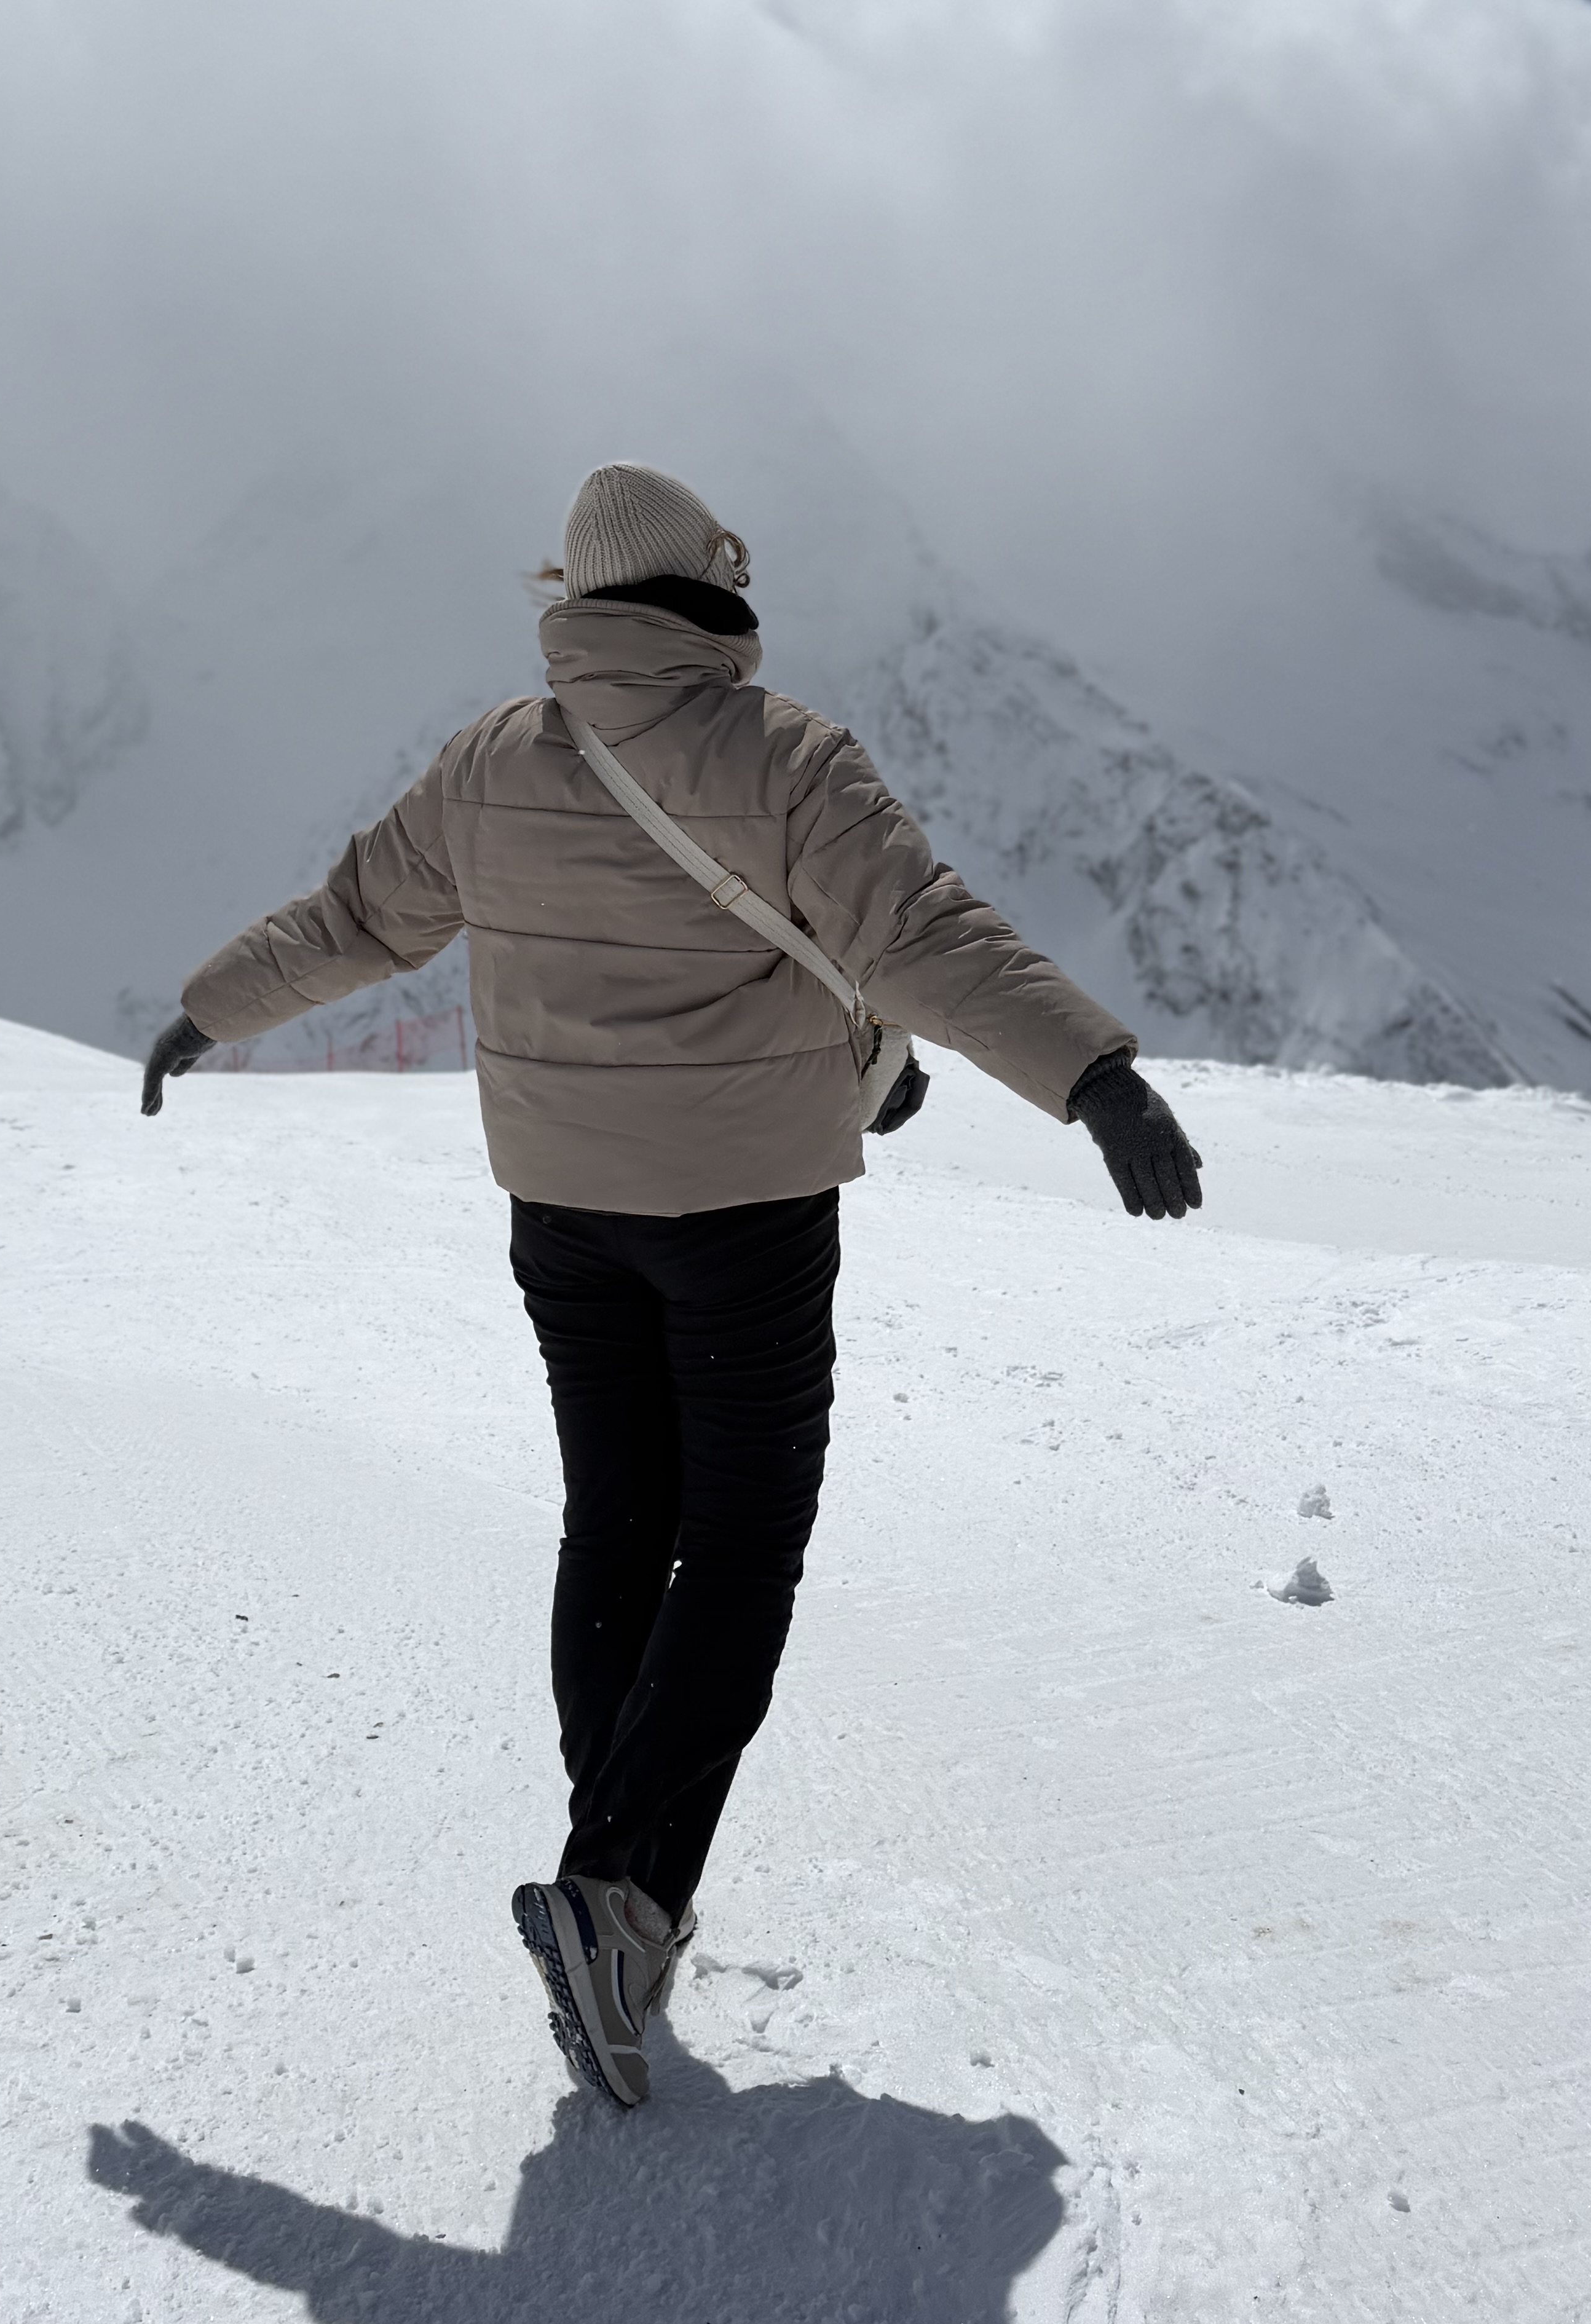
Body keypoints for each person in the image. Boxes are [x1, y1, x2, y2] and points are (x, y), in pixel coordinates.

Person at [141, 464, 1202, 2109]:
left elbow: (356, 922)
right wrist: (1097, 1078)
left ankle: (613, 1885)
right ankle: (617, 1892)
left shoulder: (491, 762)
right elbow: (919, 936)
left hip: (562, 1210)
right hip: (744, 1217)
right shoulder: (785, 759)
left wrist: (209, 1008)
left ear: (577, 601)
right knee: (743, 1549)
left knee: (621, 1525)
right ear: (714, 588)